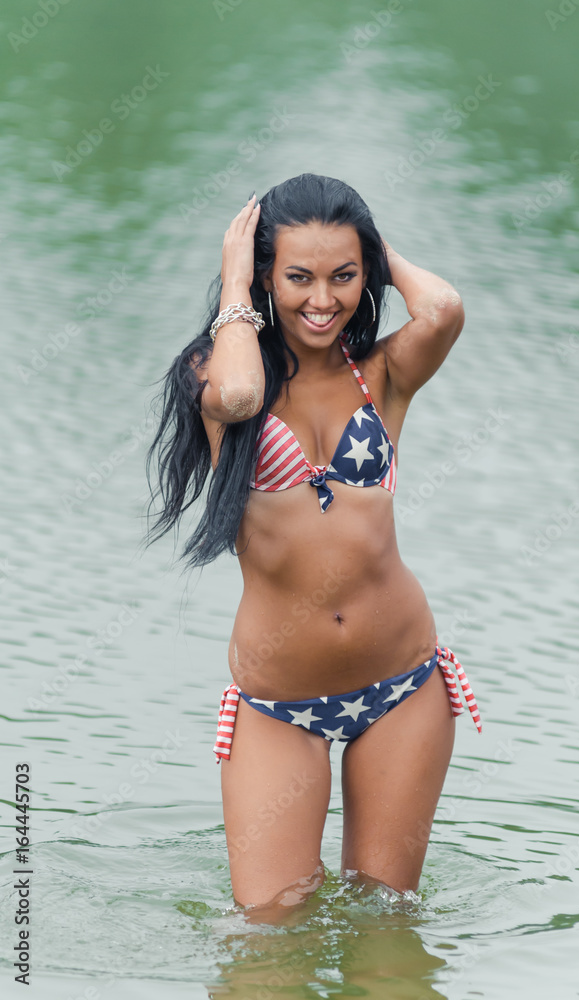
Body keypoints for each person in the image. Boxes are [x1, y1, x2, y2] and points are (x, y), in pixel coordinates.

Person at [147, 173, 481, 915]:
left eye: (343, 276)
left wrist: (370, 242)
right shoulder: (221, 371)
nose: (322, 300)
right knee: (267, 940)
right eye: (297, 277)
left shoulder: (383, 374)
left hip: (403, 686)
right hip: (277, 705)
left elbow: (444, 308)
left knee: (386, 928)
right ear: (266, 274)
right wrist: (237, 279)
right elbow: (237, 401)